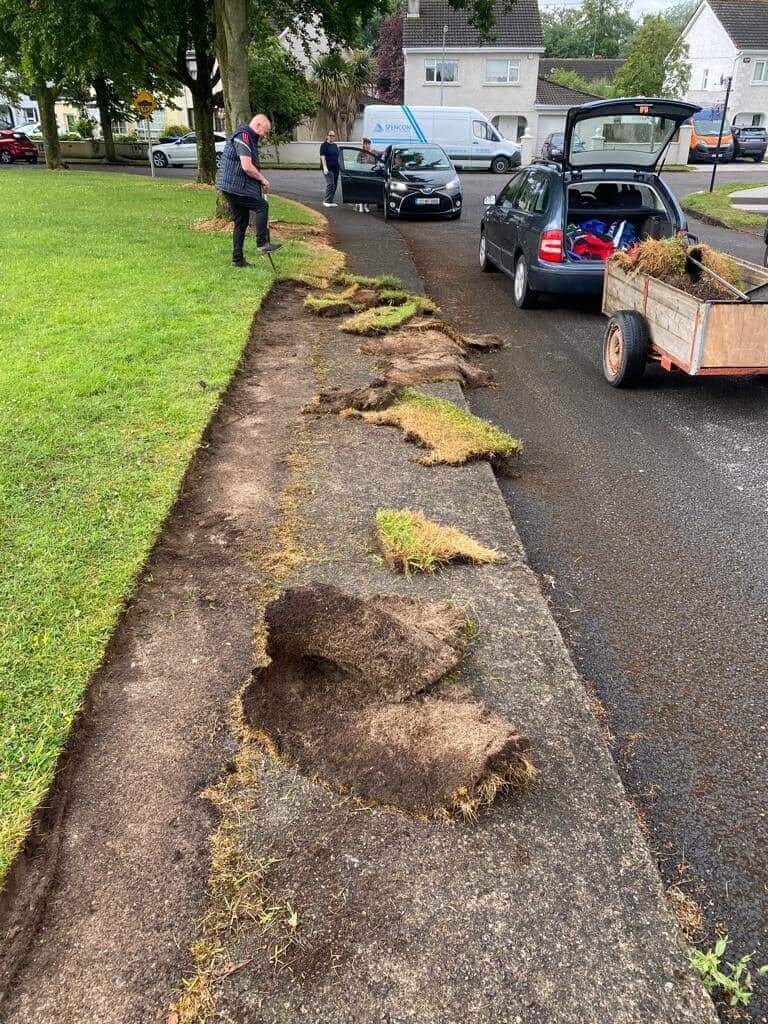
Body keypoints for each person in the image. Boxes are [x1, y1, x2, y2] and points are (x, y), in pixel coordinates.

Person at [215, 113, 280, 268]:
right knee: (261, 206)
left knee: (241, 222)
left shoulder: (248, 138)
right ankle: (262, 243)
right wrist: (262, 179)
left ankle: (237, 260)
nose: (266, 135)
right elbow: (246, 166)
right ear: (258, 125)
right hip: (235, 186)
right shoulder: (243, 136)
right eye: (266, 131)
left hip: (232, 187)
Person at [355, 137, 381, 214]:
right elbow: (357, 164)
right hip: (362, 174)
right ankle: (360, 205)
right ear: (363, 145)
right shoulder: (360, 153)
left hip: (371, 174)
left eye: (368, 144)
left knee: (369, 191)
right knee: (361, 190)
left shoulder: (374, 152)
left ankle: (366, 206)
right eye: (365, 144)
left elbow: (381, 154)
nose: (367, 146)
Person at [320, 130, 340, 207]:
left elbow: (337, 156)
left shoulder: (335, 145)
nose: (332, 137)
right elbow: (322, 157)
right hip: (328, 168)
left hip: (336, 168)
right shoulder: (324, 145)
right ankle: (326, 201)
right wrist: (325, 167)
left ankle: (330, 201)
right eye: (330, 135)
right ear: (327, 136)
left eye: (333, 136)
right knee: (330, 183)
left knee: (335, 184)